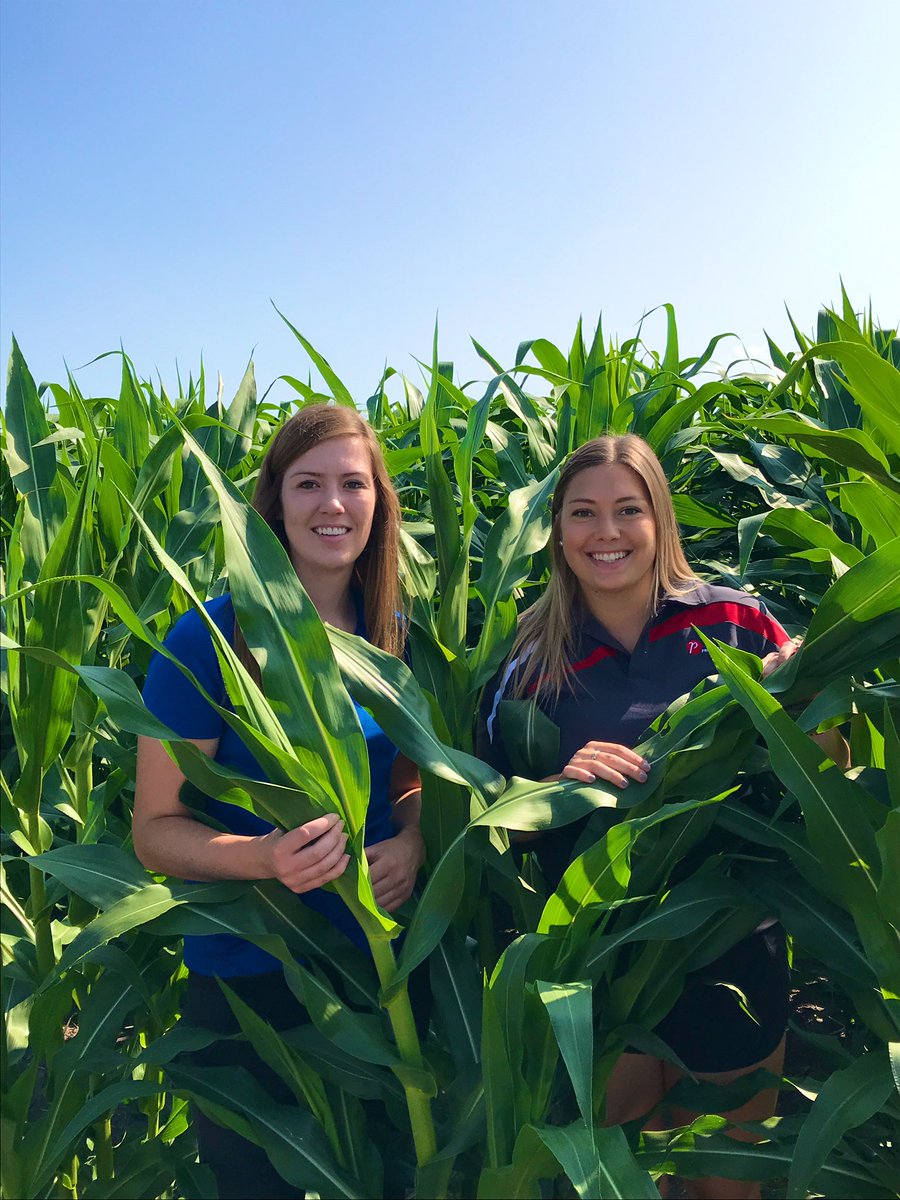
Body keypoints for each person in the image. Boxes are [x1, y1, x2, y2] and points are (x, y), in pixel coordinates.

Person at [477, 434, 846, 1200]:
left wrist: (802, 709)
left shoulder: (736, 621)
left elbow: (830, 771)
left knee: (722, 1182)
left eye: (627, 510)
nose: (605, 533)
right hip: (593, 957)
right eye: (583, 512)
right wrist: (553, 785)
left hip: (729, 941)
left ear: (660, 519)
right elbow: (485, 823)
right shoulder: (526, 656)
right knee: (611, 1175)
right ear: (556, 529)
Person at [134, 403, 425, 1200]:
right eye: (309, 484)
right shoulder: (206, 642)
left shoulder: (391, 634)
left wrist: (410, 839)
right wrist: (265, 858)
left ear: (378, 502)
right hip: (251, 974)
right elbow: (155, 833)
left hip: (374, 976)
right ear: (274, 502)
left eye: (352, 484)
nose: (333, 505)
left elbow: (411, 777)